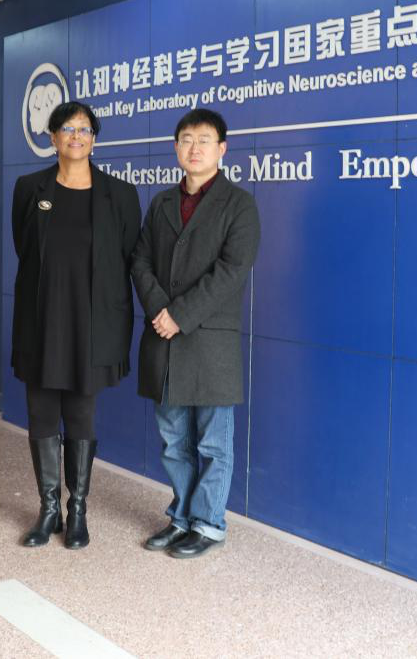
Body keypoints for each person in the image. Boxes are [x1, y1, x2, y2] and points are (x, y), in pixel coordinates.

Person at [131, 109, 261, 558]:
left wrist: (179, 315)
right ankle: (182, 517)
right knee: (174, 440)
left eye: (204, 140)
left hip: (208, 342)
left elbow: (231, 271)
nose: (194, 148)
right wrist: (159, 310)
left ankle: (209, 524)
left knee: (213, 443)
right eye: (186, 139)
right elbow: (140, 261)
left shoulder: (239, 204)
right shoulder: (162, 203)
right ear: (176, 147)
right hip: (164, 337)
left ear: (222, 148)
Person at [11, 102, 141, 549]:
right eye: (67, 129)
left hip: (93, 325)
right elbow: (25, 248)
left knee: (82, 415)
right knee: (42, 412)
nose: (76, 136)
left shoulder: (119, 195)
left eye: (85, 130)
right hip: (42, 320)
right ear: (53, 138)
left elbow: (126, 258)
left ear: (94, 139)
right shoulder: (30, 189)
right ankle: (48, 509)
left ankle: (78, 509)